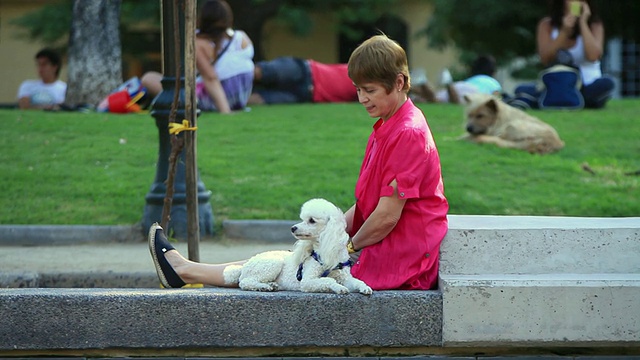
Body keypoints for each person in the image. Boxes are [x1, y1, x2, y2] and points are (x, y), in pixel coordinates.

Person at [149, 34, 449, 291]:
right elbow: (370, 204)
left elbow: (386, 216)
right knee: (288, 259)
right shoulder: (391, 123)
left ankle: (184, 270)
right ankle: (183, 269)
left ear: (398, 83)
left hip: (402, 261)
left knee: (287, 268)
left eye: (369, 90)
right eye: (358, 90)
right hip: (391, 248)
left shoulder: (407, 132)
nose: (361, 99)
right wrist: (327, 232)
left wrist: (343, 248)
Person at [141, 0, 254, 113]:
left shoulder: (198, 43)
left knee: (149, 78)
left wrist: (225, 111)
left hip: (216, 100)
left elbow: (210, 77)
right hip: (240, 97)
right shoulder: (241, 38)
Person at [512, 0, 614, 109]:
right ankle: (570, 100)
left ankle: (555, 100)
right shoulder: (547, 25)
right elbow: (545, 58)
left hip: (586, 84)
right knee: (522, 89)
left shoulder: (595, 25)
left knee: (606, 84)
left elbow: (594, 56)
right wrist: (564, 31)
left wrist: (583, 23)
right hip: (557, 83)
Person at [247, 56, 358, 105]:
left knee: (259, 100)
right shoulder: (361, 68)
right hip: (305, 70)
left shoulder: (369, 92)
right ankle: (232, 75)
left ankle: (230, 98)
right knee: (260, 72)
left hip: (303, 95)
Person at [411, 54, 502, 104]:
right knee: (455, 103)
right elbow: (496, 100)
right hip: (473, 93)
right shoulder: (494, 83)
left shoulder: (472, 79)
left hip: (459, 85)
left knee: (435, 99)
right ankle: (447, 84)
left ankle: (422, 82)